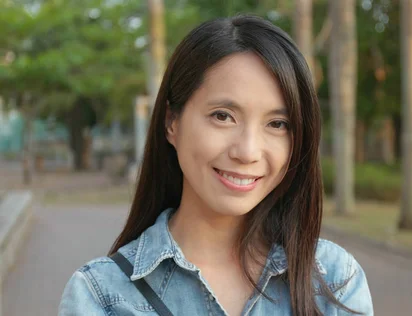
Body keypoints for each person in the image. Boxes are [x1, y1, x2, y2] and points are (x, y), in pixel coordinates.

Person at [58, 15, 373, 316]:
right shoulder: (101, 295)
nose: (247, 151)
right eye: (223, 116)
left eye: (277, 124)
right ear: (172, 122)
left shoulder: (333, 280)